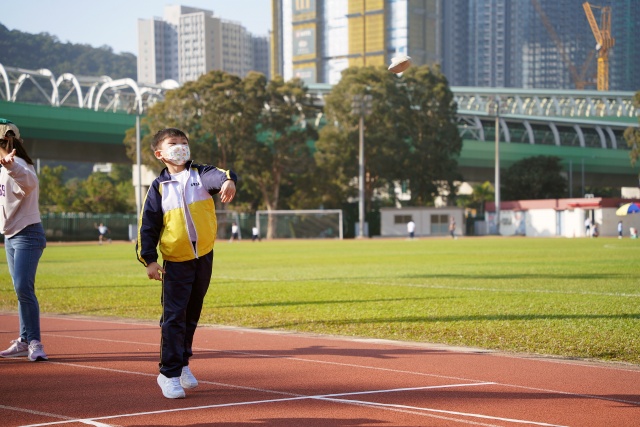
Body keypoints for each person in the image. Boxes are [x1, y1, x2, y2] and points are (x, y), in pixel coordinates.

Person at [136, 128, 237, 399]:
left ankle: (182, 364)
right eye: (173, 143)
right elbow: (148, 226)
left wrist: (228, 181)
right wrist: (149, 260)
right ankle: (168, 373)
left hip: (203, 256)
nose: (180, 147)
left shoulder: (200, 174)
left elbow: (221, 175)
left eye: (184, 142)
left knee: (191, 314)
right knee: (174, 317)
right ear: (160, 153)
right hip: (176, 261)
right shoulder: (158, 188)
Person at [0, 119, 48, 362]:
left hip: (28, 234)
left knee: (23, 288)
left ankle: (35, 342)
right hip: (11, 235)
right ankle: (24, 340)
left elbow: (29, 182)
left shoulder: (17, 163)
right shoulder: (4, 167)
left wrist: (11, 168)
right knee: (21, 290)